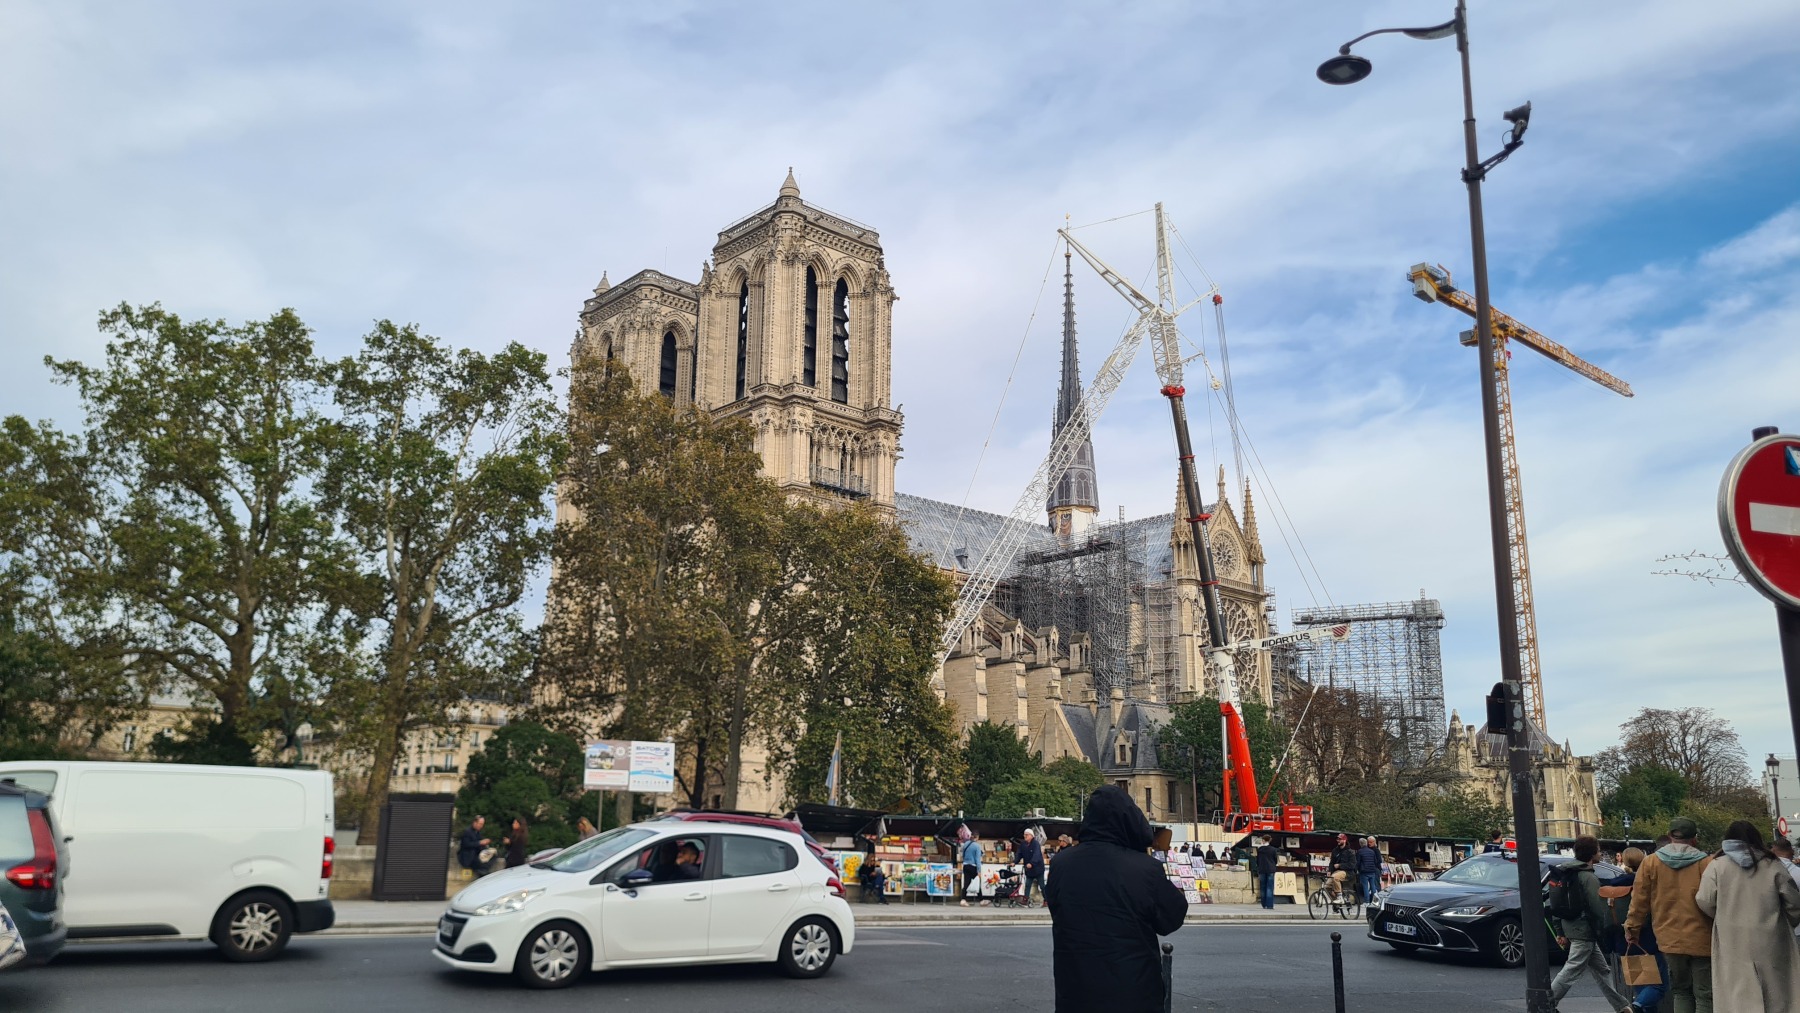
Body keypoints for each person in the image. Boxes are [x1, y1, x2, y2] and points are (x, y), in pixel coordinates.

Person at [1044, 786, 1186, 1013]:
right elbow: (1171, 919)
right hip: (1132, 992)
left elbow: (1056, 908)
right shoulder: (1144, 868)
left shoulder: (1061, 864)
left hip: (1076, 990)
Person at [1694, 820, 1800, 1010]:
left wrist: (1723, 915)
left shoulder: (1717, 866)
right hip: (1772, 936)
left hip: (1732, 937)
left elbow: (1705, 899)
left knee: (1737, 991)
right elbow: (1793, 902)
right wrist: (1786, 922)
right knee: (1777, 990)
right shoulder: (1772, 865)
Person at [1626, 817, 1715, 1013]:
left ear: (1669, 836)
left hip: (1668, 937)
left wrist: (1632, 928)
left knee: (1681, 991)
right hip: (1702, 937)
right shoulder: (1706, 863)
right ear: (1694, 839)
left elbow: (1639, 900)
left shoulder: (1650, 862)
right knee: (1704, 994)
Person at [1549, 836, 1630, 1010]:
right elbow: (1598, 908)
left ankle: (1622, 1006)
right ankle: (1546, 1002)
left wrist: (1560, 931)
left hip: (1572, 927)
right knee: (1572, 969)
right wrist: (1608, 927)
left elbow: (1556, 906)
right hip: (1584, 930)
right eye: (1599, 850)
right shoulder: (1588, 877)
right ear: (1592, 854)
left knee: (1602, 971)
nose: (1600, 853)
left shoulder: (1566, 872)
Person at [1601, 847, 1669, 1013]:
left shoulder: (1613, 886)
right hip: (1648, 941)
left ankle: (1637, 1006)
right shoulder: (1646, 884)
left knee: (1641, 985)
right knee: (1659, 986)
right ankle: (1634, 1006)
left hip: (1624, 942)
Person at [1329, 833, 1360, 902]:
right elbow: (1332, 862)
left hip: (1347, 872)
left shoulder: (1350, 852)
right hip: (1336, 871)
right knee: (1327, 886)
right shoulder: (1335, 851)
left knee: (1335, 877)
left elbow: (1352, 865)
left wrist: (1340, 865)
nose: (1338, 840)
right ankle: (1337, 902)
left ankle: (1340, 897)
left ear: (1344, 840)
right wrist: (1329, 870)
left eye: (1340, 839)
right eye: (1337, 839)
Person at [1020, 828, 1046, 907]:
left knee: (1042, 885)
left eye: (1027, 835)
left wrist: (1031, 863)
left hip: (1038, 869)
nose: (1025, 836)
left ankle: (1046, 900)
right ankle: (1025, 899)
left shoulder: (1035, 844)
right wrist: (1014, 862)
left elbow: (1036, 855)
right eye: (1024, 835)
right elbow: (1019, 853)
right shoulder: (1023, 844)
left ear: (1031, 836)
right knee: (1027, 884)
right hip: (1029, 869)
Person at [1357, 836, 1383, 907]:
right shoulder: (1371, 850)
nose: (1369, 843)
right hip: (1372, 870)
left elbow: (1379, 861)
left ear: (1374, 842)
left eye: (1371, 842)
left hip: (1374, 870)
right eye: (1368, 842)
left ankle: (1372, 901)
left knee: (1375, 886)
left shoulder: (1376, 850)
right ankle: (1374, 902)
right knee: (1373, 886)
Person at [961, 834, 985, 908]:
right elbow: (977, 859)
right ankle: (981, 900)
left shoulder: (965, 844)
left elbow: (962, 855)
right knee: (977, 883)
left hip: (965, 865)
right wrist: (979, 870)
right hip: (973, 866)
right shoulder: (977, 846)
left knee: (966, 882)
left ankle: (963, 899)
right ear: (977, 837)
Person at [1254, 836, 1279, 909]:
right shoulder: (1273, 849)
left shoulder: (1260, 849)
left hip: (1262, 869)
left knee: (1263, 887)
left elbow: (1257, 860)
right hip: (1271, 869)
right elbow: (1275, 860)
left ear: (1263, 840)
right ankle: (1269, 904)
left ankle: (1264, 904)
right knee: (1270, 887)